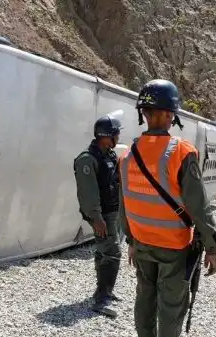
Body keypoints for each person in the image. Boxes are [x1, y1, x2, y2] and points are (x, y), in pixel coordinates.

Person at [117, 79, 216, 337]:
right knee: (171, 306)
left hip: (141, 243)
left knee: (145, 298)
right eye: (172, 111)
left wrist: (130, 239)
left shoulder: (128, 154)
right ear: (167, 114)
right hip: (173, 246)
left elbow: (124, 203)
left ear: (145, 114)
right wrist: (211, 246)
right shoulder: (182, 152)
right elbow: (199, 206)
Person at [73, 112, 124, 318]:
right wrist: (96, 217)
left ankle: (104, 291)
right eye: (116, 133)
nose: (118, 137)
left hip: (112, 212)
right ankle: (101, 300)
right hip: (102, 215)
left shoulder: (109, 155)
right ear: (107, 135)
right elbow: (88, 192)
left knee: (103, 251)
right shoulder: (88, 159)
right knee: (112, 253)